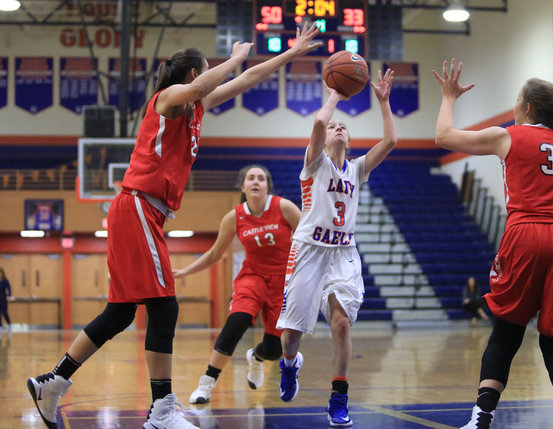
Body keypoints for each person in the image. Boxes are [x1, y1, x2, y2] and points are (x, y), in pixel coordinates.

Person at [27, 22, 321, 429]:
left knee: (121, 312)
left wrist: (290, 54)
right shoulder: (167, 99)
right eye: (203, 72)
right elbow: (209, 84)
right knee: (165, 306)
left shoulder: (196, 106)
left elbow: (248, 78)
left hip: (142, 213)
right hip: (138, 207)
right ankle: (162, 407)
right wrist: (233, 58)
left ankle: (53, 382)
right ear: (193, 75)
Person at [433, 59, 553, 429]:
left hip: (528, 233)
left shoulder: (509, 135)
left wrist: (448, 97)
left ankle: (481, 418)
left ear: (527, 108)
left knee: (506, 333)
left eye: (517, 100)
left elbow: (443, 137)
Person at [276, 68, 396, 427]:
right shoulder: (315, 164)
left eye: (344, 126)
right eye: (334, 127)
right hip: (309, 251)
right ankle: (289, 363)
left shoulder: (357, 170)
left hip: (343, 254)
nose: (338, 128)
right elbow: (317, 122)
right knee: (292, 334)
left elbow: (389, 142)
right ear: (325, 140)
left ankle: (339, 398)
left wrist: (384, 103)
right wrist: (335, 95)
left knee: (341, 324)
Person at [172, 165, 300, 404]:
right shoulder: (235, 217)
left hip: (282, 284)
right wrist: (185, 271)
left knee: (273, 350)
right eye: (251, 178)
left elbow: (309, 238)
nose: (256, 182)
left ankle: (256, 359)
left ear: (267, 186)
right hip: (252, 278)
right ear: (243, 187)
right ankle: (206, 385)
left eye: (261, 178)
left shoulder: (284, 208)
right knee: (236, 324)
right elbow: (214, 254)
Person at [0, 268, 11, 333]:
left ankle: (9, 324)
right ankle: (0, 325)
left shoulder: (5, 280)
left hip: (3, 298)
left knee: (4, 312)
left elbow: (9, 288)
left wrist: (9, 296)